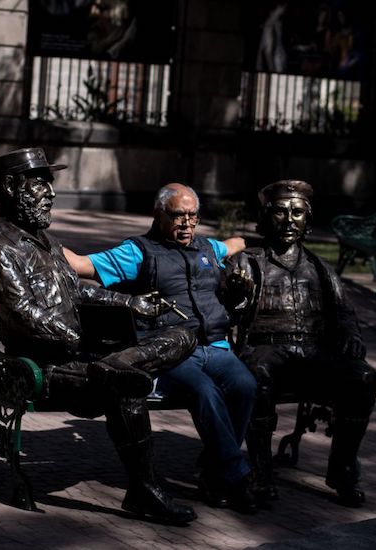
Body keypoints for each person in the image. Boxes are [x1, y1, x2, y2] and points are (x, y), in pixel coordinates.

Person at [0, 149, 198, 525]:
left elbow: (79, 291)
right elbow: (29, 322)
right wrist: (89, 340)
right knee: (126, 386)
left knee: (182, 336)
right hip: (42, 368)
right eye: (40, 184)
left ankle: (116, 365)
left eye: (50, 184)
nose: (51, 193)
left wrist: (133, 304)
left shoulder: (45, 241)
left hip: (88, 358)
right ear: (10, 187)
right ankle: (143, 489)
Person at [70, 183, 259, 514]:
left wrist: (252, 243)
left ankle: (215, 470)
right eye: (178, 215)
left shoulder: (207, 247)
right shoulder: (138, 252)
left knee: (245, 385)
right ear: (159, 215)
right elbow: (80, 264)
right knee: (204, 392)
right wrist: (37, 241)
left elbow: (233, 244)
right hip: (171, 352)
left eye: (193, 215)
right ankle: (235, 476)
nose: (187, 223)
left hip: (215, 347)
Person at [225, 180, 376, 508]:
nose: (289, 220)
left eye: (297, 213)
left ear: (307, 218)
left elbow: (344, 312)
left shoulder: (320, 267)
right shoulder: (249, 262)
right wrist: (235, 296)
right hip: (266, 350)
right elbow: (228, 311)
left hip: (313, 352)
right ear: (266, 217)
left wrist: (352, 336)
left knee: (363, 377)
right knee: (257, 374)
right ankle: (261, 473)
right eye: (280, 212)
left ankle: (342, 471)